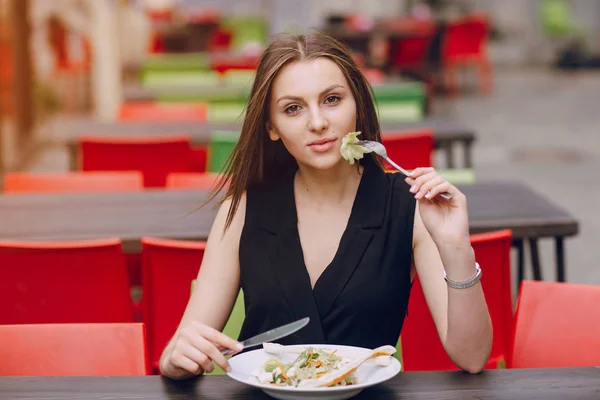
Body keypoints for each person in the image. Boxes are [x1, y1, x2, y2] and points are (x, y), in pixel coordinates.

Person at [159, 31, 492, 379]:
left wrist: (456, 248)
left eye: (332, 99)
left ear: (358, 106)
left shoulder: (410, 208)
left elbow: (472, 357)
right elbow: (182, 350)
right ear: (272, 126)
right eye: (293, 108)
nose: (317, 123)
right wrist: (175, 360)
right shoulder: (242, 209)